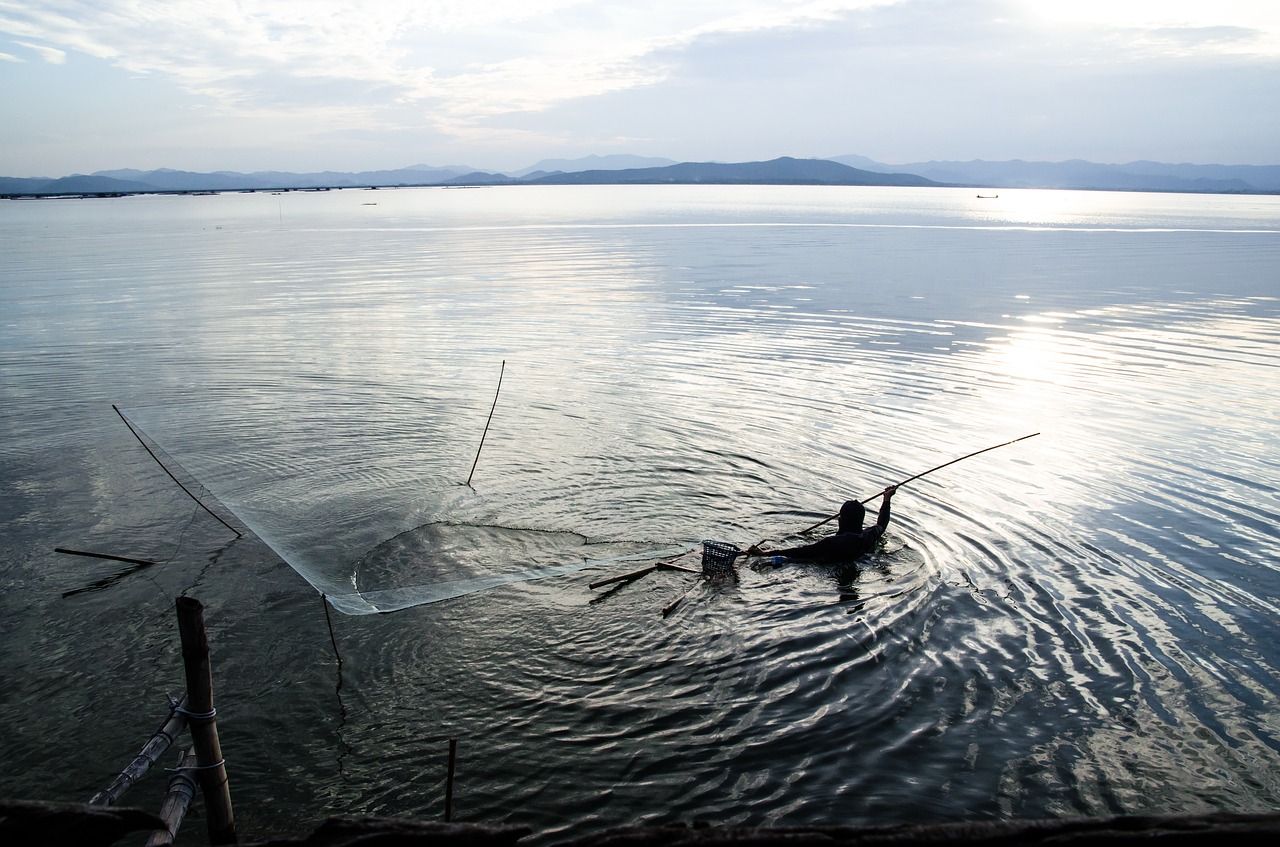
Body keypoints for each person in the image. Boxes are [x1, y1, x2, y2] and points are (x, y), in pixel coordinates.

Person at [747, 485, 896, 563]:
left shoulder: (832, 542)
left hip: (828, 564)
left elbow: (801, 552)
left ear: (840, 520)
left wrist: (765, 554)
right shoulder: (868, 536)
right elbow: (882, 523)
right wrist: (887, 499)